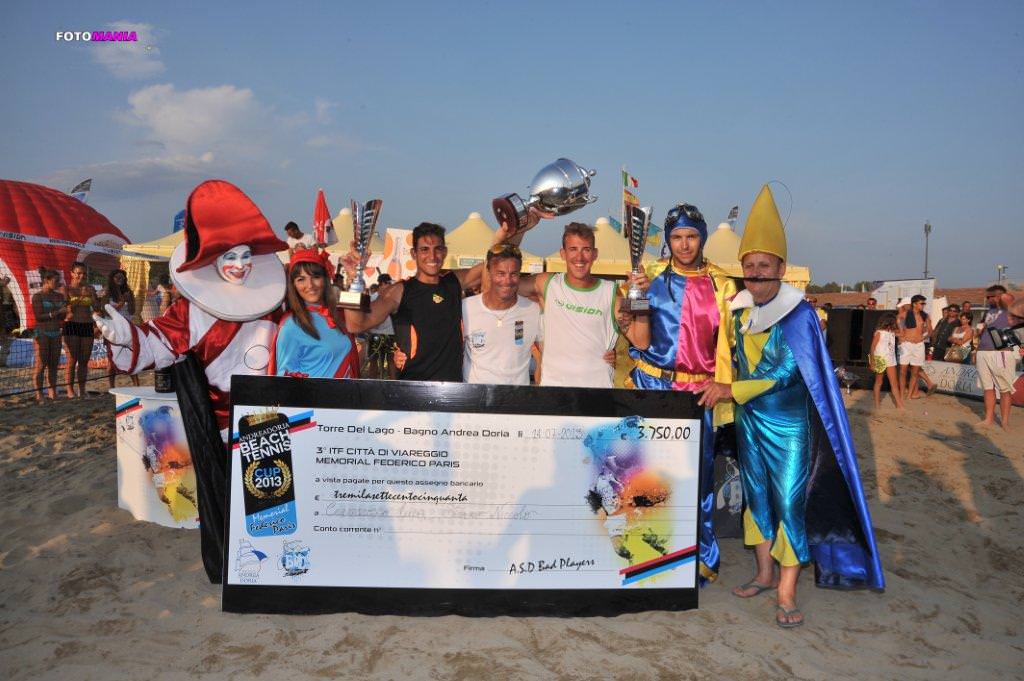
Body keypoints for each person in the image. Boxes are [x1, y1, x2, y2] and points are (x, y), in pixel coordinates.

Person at [698, 184, 884, 628]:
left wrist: (730, 391)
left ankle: (786, 591)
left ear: (780, 268)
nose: (756, 273)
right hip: (749, 425)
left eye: (764, 265)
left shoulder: (798, 314)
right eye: (750, 266)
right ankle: (764, 574)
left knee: (788, 504)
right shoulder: (739, 312)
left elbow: (785, 373)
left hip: (788, 428)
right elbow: (731, 358)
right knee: (756, 502)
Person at [95, 180, 290, 583]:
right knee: (225, 498)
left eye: (247, 255)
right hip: (220, 420)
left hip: (269, 416)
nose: (241, 264)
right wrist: (123, 335)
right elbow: (156, 345)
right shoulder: (192, 310)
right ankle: (238, 569)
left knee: (271, 499)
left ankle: (272, 570)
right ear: (213, 260)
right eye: (231, 256)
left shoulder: (273, 301)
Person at [626, 202, 737, 583]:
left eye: (691, 237)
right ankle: (643, 555)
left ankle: (698, 559)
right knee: (647, 474)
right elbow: (630, 325)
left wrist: (726, 384)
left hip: (698, 394)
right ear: (668, 240)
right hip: (653, 385)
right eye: (677, 237)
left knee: (697, 479)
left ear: (702, 238)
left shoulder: (724, 284)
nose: (685, 245)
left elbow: (733, 344)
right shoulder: (649, 274)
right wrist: (634, 294)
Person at [492, 221, 647, 388]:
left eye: (586, 250)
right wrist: (508, 235)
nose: (579, 257)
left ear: (595, 254)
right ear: (563, 254)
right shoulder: (546, 283)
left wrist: (642, 296)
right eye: (573, 249)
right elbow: (497, 278)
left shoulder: (611, 291)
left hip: (598, 392)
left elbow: (641, 341)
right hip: (555, 393)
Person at [340, 222, 484, 382]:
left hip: (452, 391)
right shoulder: (399, 291)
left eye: (438, 249)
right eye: (424, 249)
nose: (432, 256)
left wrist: (507, 233)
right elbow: (355, 325)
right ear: (413, 253)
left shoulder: (453, 281)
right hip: (413, 390)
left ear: (445, 252)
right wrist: (353, 279)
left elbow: (493, 264)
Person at [271, 249, 359, 379]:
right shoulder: (291, 325)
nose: (310, 285)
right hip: (314, 398)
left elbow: (363, 316)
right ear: (293, 285)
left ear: (325, 279)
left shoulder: (336, 314)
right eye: (301, 279)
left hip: (345, 396)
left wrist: (354, 276)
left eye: (316, 277)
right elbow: (284, 380)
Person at [462, 243, 542, 385]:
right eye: (501, 273)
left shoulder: (533, 311)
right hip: (475, 403)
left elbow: (547, 355)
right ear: (488, 272)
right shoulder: (466, 308)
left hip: (516, 402)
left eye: (513, 274)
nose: (507, 281)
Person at [975, 285, 1018, 429]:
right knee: (987, 387)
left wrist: (1000, 295)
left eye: (990, 296)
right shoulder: (989, 310)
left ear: (999, 296)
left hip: (1001, 352)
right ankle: (989, 418)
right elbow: (983, 328)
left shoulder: (1009, 308)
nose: (987, 299)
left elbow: (1009, 298)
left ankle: (1005, 421)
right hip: (984, 351)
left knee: (1004, 388)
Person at [63, 262, 98, 398]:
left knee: (84, 361)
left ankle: (82, 389)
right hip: (72, 325)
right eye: (79, 273)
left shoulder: (89, 288)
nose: (82, 276)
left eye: (84, 273)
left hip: (87, 325)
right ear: (72, 273)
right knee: (72, 360)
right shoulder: (66, 289)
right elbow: (68, 310)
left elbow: (96, 308)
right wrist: (82, 296)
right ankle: (70, 390)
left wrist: (93, 297)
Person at [31, 269, 66, 402]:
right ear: (46, 281)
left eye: (59, 281)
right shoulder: (38, 296)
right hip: (42, 332)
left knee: (53, 365)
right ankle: (39, 394)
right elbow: (39, 317)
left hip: (56, 332)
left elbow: (63, 316)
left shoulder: (59, 296)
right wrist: (57, 312)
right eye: (56, 281)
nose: (58, 283)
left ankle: (52, 393)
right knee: (41, 365)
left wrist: (66, 311)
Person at [105, 269, 140, 388]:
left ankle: (136, 385)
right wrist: (122, 301)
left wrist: (129, 300)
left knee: (131, 356)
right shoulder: (107, 292)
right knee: (112, 359)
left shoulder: (128, 291)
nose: (120, 280)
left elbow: (132, 311)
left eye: (122, 278)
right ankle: (111, 386)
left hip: (127, 327)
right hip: (113, 328)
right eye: (117, 278)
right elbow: (109, 312)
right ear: (112, 279)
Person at [897, 294, 935, 399]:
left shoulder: (925, 315)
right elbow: (897, 321)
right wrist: (901, 335)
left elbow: (930, 330)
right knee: (902, 370)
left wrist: (923, 338)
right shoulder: (905, 314)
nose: (923, 305)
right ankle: (901, 394)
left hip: (918, 345)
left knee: (915, 371)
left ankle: (909, 395)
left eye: (924, 303)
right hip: (906, 344)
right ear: (914, 304)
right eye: (921, 303)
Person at [869, 312, 903, 409]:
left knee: (894, 383)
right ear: (890, 322)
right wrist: (872, 362)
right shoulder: (879, 333)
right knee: (879, 381)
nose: (896, 323)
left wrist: (899, 323)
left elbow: (902, 333)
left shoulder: (892, 332)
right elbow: (872, 347)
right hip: (880, 359)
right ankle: (877, 404)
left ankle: (900, 405)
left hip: (891, 359)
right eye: (895, 321)